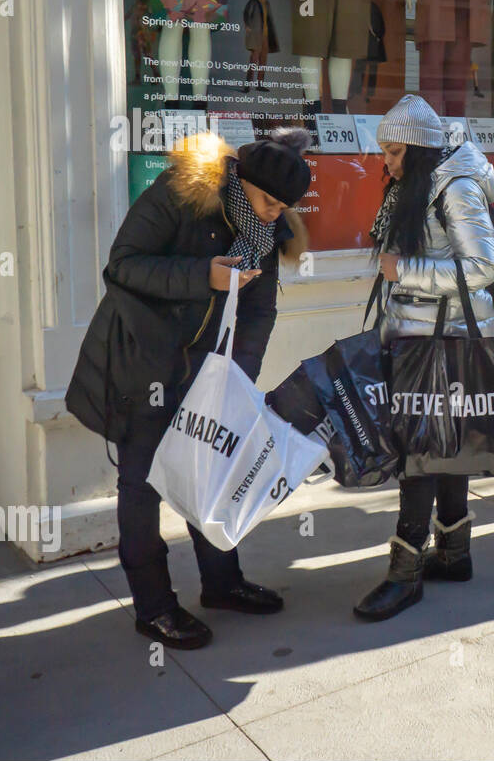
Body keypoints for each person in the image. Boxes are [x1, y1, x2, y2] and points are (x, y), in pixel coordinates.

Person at [65, 130, 313, 649]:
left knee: (210, 474)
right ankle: (153, 608)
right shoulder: (183, 191)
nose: (274, 214)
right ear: (243, 181)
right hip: (144, 358)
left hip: (207, 369)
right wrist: (206, 276)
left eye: (284, 207)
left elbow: (259, 313)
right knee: (142, 483)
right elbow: (124, 264)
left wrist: (235, 380)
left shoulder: (269, 232)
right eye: (269, 202)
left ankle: (222, 585)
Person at [356, 94, 494, 621]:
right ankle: (455, 554)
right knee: (443, 449)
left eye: (393, 152)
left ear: (417, 150)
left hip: (445, 340)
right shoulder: (421, 185)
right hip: (423, 335)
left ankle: (406, 571)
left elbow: (483, 266)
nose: (386, 163)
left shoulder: (456, 188)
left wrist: (405, 272)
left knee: (419, 456)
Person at [242, 0, 277, 89]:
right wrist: (247, 25)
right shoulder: (254, 1)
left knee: (263, 60)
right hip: (256, 34)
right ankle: (248, 85)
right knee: (254, 59)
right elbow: (246, 13)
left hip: (265, 36)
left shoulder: (267, 3)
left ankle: (260, 84)